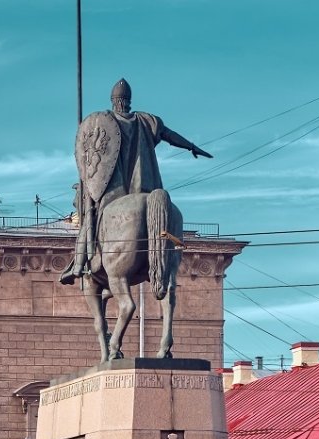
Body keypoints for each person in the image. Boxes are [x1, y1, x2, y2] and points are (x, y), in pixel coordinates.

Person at [60, 78, 212, 285]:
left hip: (115, 190)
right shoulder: (146, 120)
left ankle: (77, 265)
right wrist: (192, 146)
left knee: (90, 218)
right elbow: (170, 136)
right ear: (128, 100)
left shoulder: (102, 122)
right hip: (146, 187)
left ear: (114, 101)